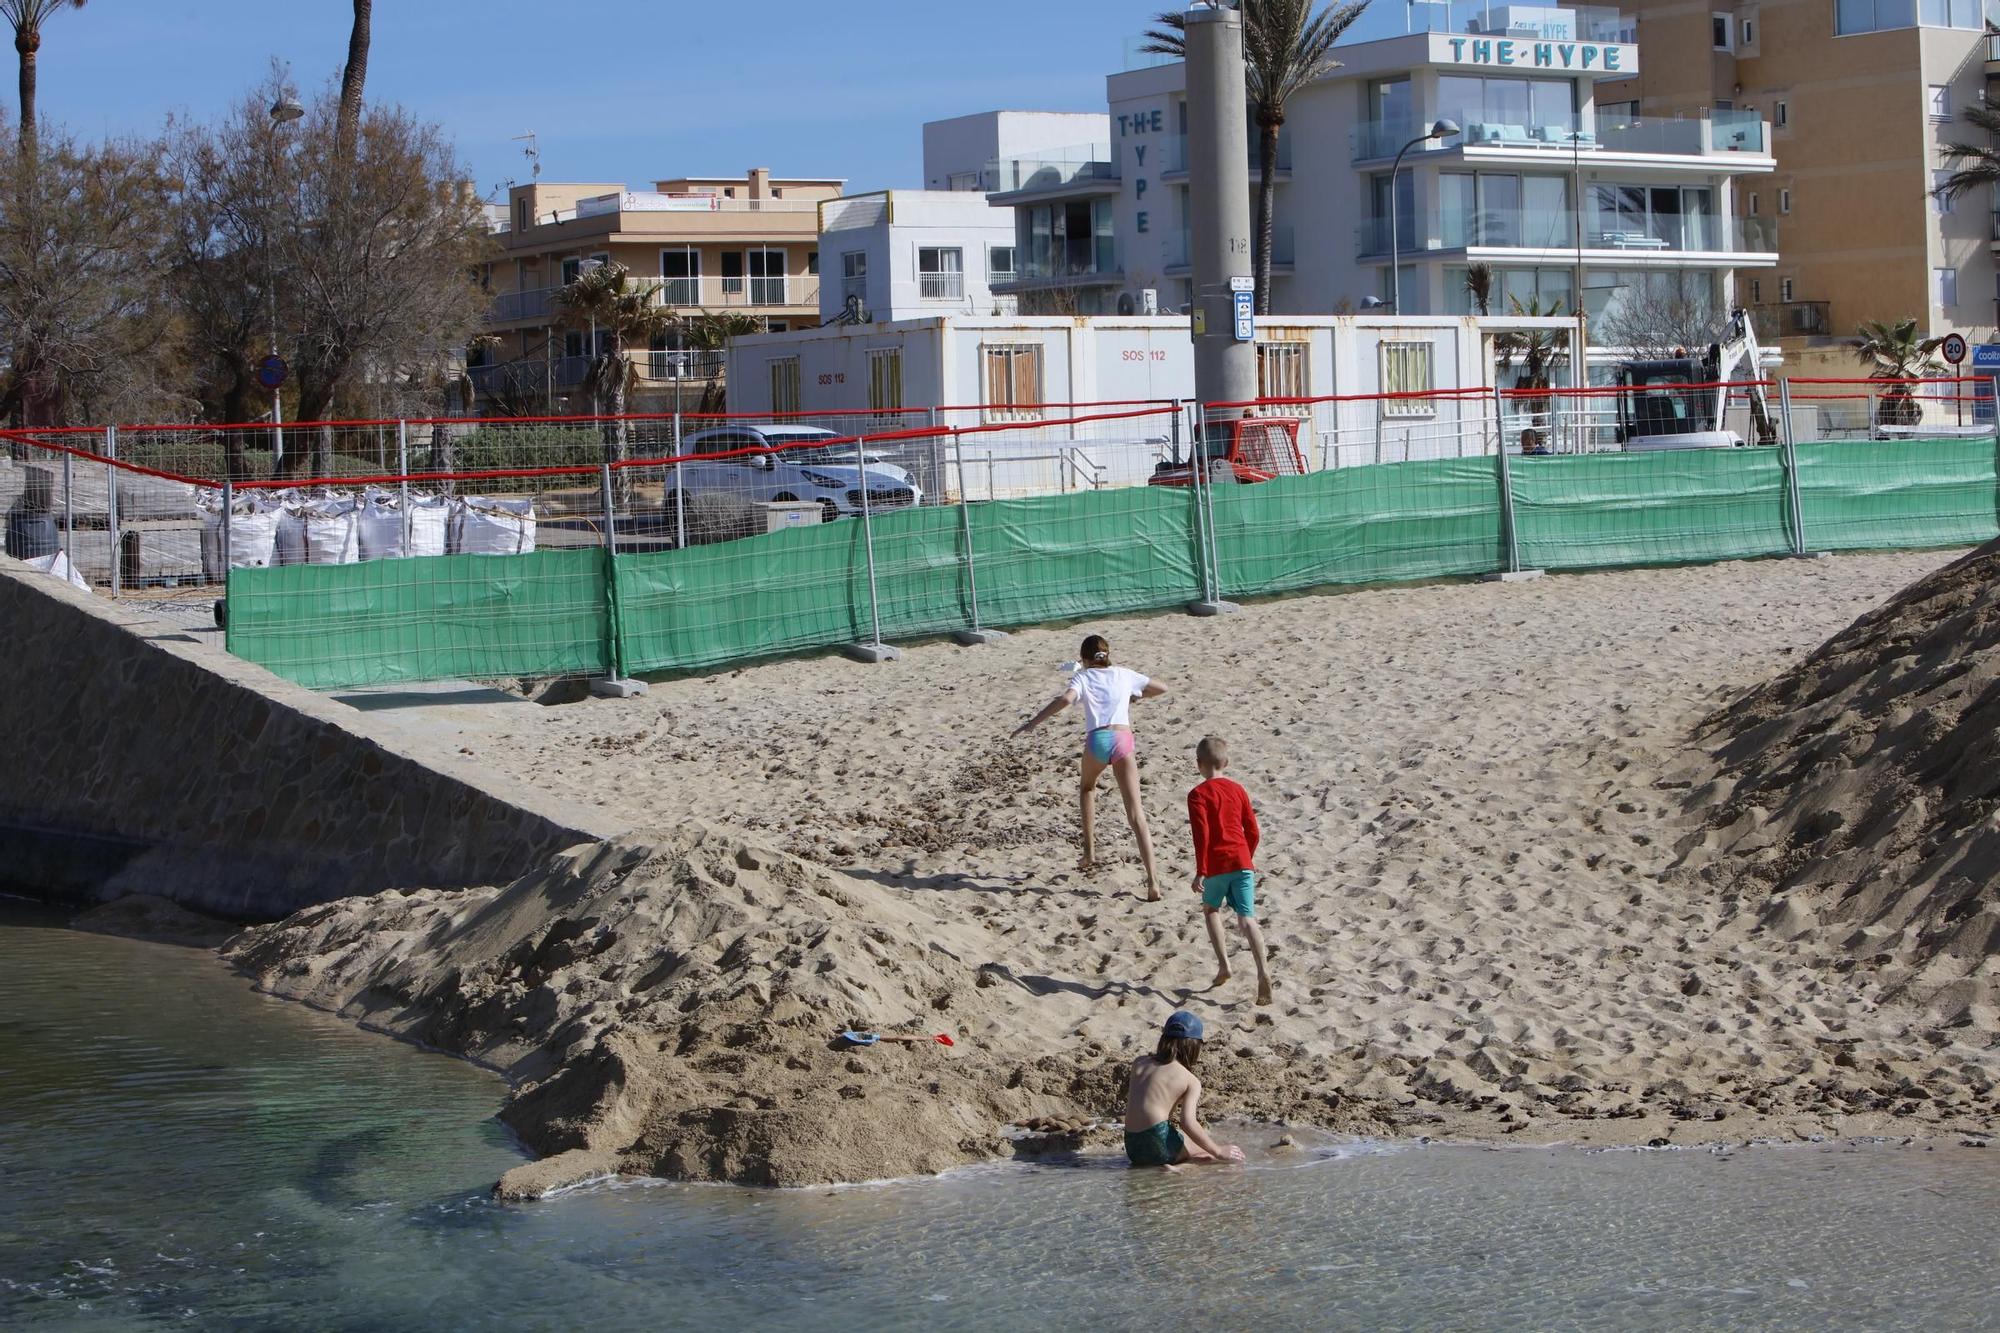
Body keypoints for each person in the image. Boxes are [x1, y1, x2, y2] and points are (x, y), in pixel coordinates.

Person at [1013, 633, 1166, 899]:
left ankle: (1089, 852)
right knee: (1136, 813)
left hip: (1099, 740)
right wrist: (1134, 697)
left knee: (1087, 788)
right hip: (1123, 739)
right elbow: (1161, 688)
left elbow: (1065, 700)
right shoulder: (1123, 674)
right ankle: (1153, 881)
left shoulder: (1083, 676)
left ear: (1084, 659)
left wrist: (1032, 723)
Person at [1188, 735, 1272, 1006]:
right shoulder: (1238, 790)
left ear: (1199, 764)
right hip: (1242, 862)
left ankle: (1224, 965)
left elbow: (1202, 835)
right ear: (1227, 762)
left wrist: (1200, 870)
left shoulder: (1198, 795)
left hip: (1215, 865)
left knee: (1211, 909)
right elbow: (1253, 830)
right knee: (1248, 919)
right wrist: (1248, 856)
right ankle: (1263, 971)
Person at [1123, 1009, 1243, 1168]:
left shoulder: (1139, 1062)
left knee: (1186, 1143)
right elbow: (1187, 1123)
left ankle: (1170, 1165)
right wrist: (1218, 1151)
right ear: (1194, 1046)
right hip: (1158, 1139)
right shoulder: (1190, 1080)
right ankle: (1179, 1169)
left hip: (1132, 1145)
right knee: (1206, 1154)